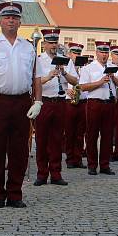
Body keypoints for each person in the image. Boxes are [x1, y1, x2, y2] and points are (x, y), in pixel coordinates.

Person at [0, 2, 42, 208]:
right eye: (7, 17)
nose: (11, 21)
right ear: (0, 21)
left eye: (14, 18)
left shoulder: (28, 47)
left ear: (20, 22)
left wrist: (38, 100)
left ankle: (15, 194)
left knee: (19, 151)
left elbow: (36, 77)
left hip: (22, 101)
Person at [34, 28, 78, 186]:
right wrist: (48, 76)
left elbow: (75, 82)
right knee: (41, 139)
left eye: (55, 42)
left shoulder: (65, 60)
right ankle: (41, 174)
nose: (53, 45)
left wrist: (64, 73)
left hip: (60, 102)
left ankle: (56, 173)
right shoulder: (38, 60)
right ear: (44, 44)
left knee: (57, 139)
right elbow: (34, 83)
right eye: (50, 43)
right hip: (44, 102)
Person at [79, 41, 118, 176]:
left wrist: (113, 78)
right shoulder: (89, 68)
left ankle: (105, 165)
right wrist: (100, 82)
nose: (104, 55)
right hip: (94, 103)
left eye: (106, 52)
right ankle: (92, 165)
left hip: (109, 104)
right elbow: (82, 87)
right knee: (92, 134)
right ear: (96, 53)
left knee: (108, 135)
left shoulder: (113, 67)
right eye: (102, 52)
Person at [64, 42, 87, 168]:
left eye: (78, 53)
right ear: (69, 53)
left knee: (80, 133)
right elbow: (61, 81)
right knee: (69, 132)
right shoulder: (66, 65)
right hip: (69, 101)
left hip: (82, 101)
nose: (77, 55)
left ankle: (78, 158)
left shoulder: (85, 67)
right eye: (74, 53)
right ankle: (69, 158)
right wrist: (67, 90)